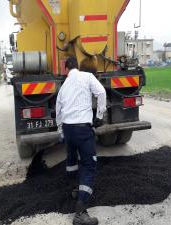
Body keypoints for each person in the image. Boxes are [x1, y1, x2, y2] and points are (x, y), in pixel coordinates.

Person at [56, 57, 107, 225]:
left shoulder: (63, 87)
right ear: (77, 66)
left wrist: (61, 131)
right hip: (83, 130)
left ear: (66, 69)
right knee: (89, 166)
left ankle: (75, 190)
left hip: (68, 130)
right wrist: (99, 116)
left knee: (71, 161)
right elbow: (101, 93)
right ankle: (80, 214)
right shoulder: (87, 77)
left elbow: (58, 111)